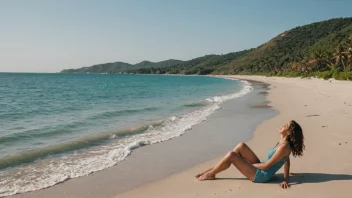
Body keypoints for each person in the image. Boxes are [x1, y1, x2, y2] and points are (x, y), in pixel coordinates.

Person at [195, 120, 305, 189]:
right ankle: (213, 170)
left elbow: (267, 166)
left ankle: (211, 174)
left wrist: (243, 162)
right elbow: (287, 160)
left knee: (232, 155)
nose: (282, 125)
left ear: (289, 132)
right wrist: (286, 178)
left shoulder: (284, 146)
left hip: (262, 176)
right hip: (261, 168)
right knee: (241, 146)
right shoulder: (282, 143)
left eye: (285, 125)